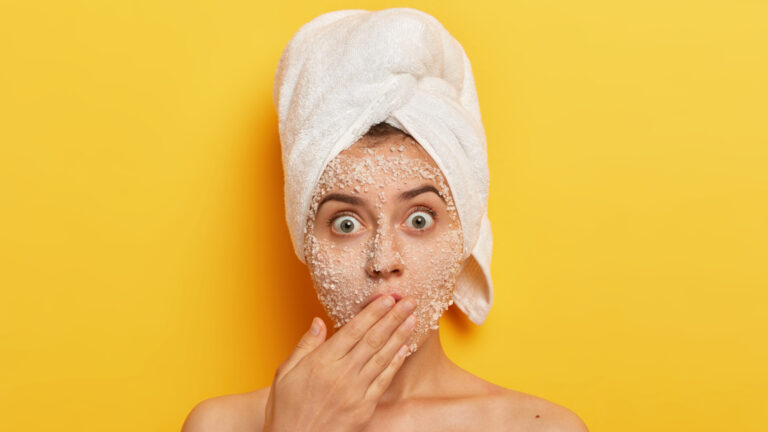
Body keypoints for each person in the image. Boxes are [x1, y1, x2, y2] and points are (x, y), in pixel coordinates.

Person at [182, 8, 587, 432]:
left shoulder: (541, 427)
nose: (383, 260)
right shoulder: (221, 424)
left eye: (417, 220)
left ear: (464, 231)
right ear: (304, 239)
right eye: (345, 224)